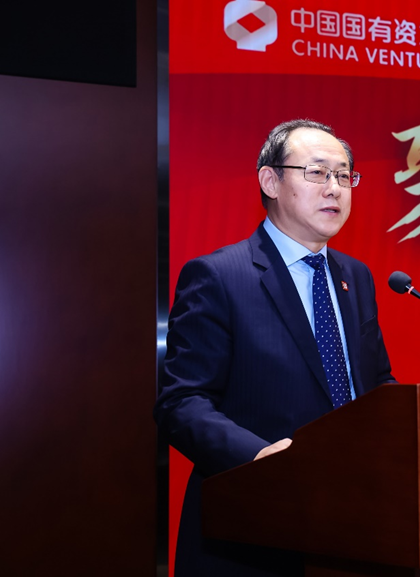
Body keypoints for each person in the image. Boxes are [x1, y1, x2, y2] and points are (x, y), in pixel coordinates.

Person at [154, 119, 395, 576]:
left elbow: (375, 382)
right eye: (317, 172)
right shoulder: (219, 276)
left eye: (344, 176)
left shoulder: (356, 277)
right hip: (250, 529)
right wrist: (260, 458)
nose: (335, 188)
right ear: (270, 181)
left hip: (350, 521)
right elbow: (181, 403)